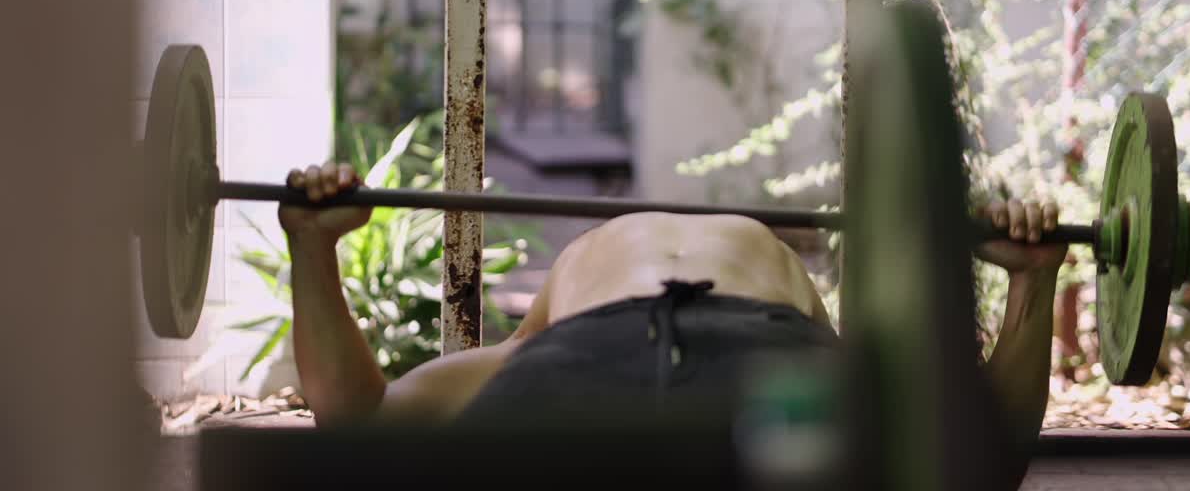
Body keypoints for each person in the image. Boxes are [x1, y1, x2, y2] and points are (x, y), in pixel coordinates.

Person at [279, 161, 1066, 443]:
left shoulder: (530, 356)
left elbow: (358, 418)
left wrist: (312, 250)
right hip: (772, 375)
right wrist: (1032, 281)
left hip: (599, 375)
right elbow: (986, 448)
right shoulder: (826, 352)